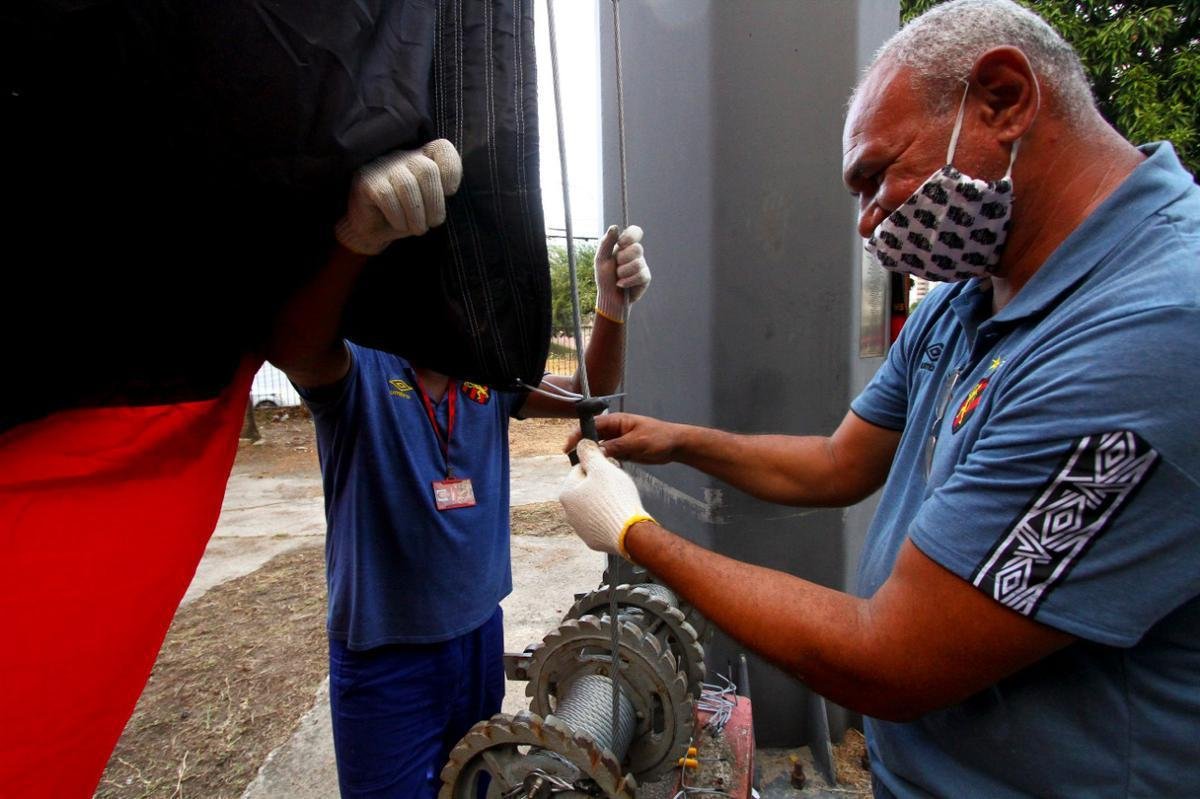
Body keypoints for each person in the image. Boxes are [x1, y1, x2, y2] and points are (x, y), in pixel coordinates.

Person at [557, 1, 1200, 796]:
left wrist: (636, 531)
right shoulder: (964, 303)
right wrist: (678, 440)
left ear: (1003, 100)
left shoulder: (1151, 329)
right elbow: (835, 463)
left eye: (876, 175)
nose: (868, 223)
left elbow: (890, 656)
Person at [268, 139, 652, 798]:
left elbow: (593, 390)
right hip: (387, 654)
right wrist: (355, 238)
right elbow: (298, 348)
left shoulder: (487, 373)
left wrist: (611, 309)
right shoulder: (362, 366)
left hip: (479, 632)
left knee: (478, 782)